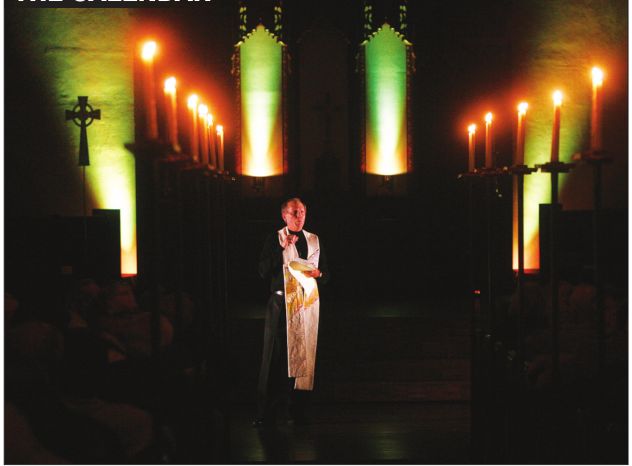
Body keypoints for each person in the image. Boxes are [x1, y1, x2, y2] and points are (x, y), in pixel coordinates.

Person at [254, 198, 329, 427]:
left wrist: (318, 274)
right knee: (275, 357)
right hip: (281, 304)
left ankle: (298, 411)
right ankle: (266, 413)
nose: (299, 216)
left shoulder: (313, 239)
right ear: (284, 215)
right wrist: (282, 248)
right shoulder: (275, 238)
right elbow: (263, 271)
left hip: (306, 305)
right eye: (295, 212)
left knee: (303, 357)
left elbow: (325, 273)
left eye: (302, 212)